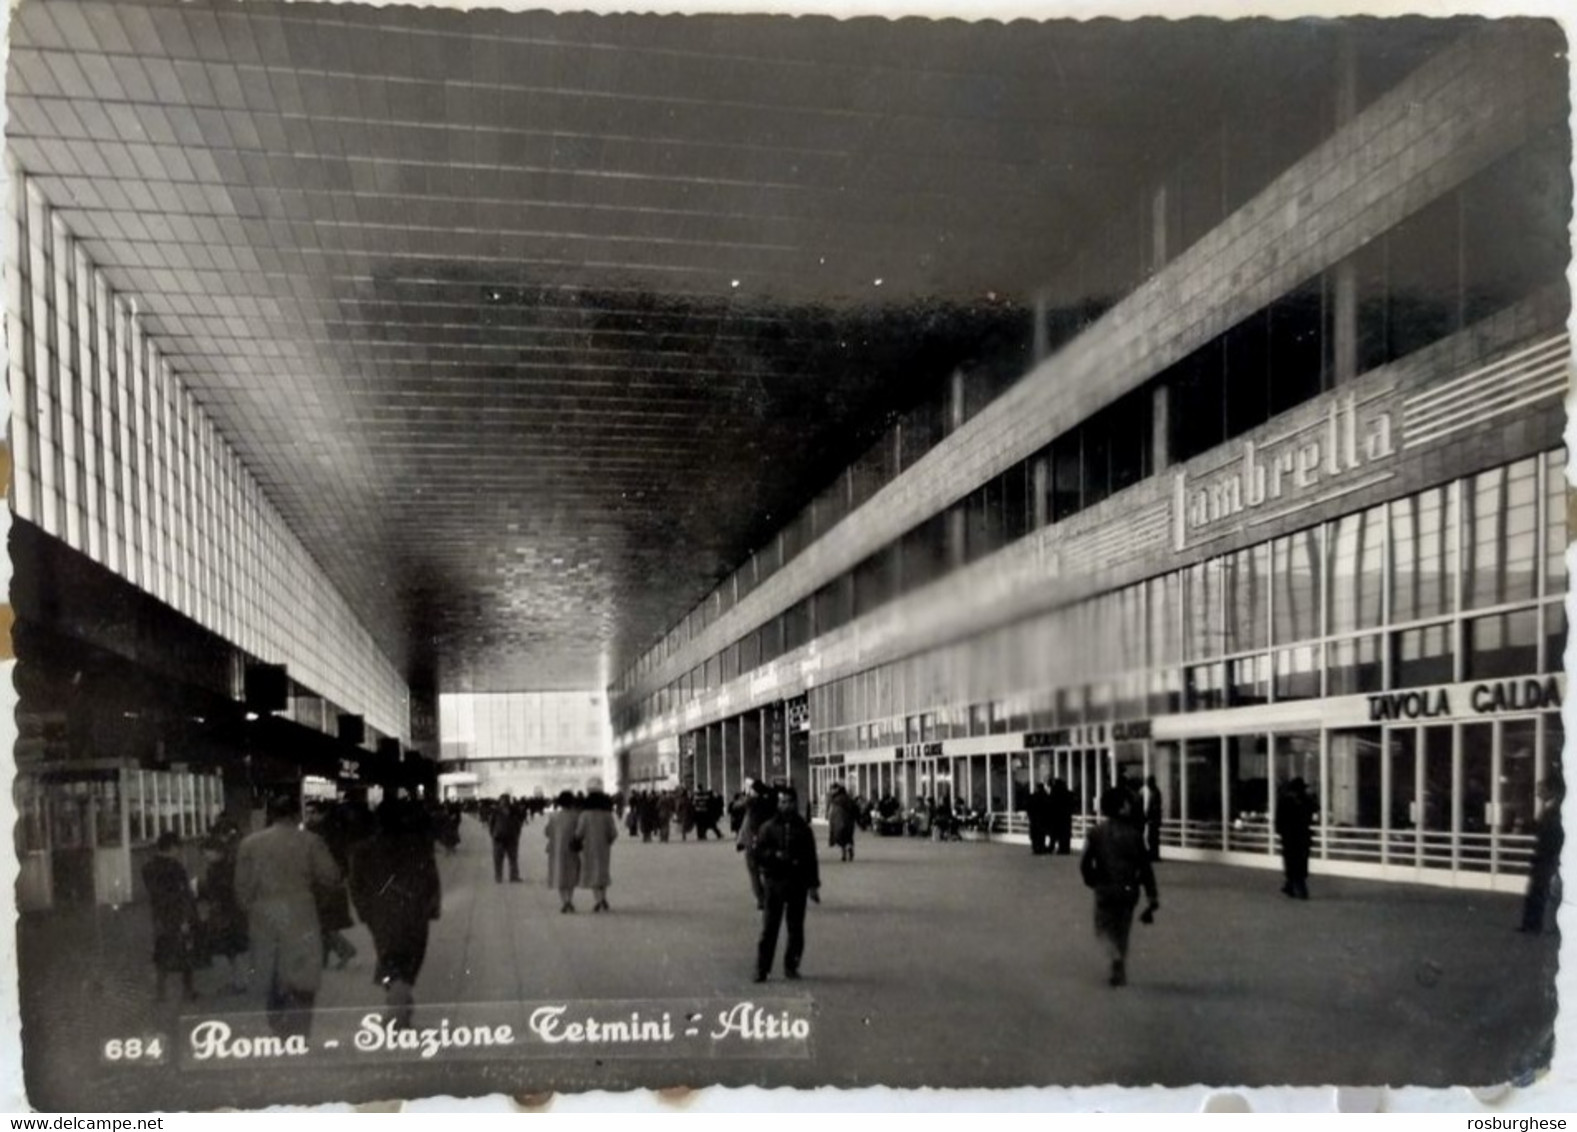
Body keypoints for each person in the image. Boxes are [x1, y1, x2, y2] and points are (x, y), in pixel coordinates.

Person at [236, 793, 343, 1038]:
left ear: (269, 815)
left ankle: (278, 1027)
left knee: (271, 972)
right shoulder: (311, 841)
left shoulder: (249, 844)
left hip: (264, 916)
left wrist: (253, 909)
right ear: (297, 815)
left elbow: (241, 890)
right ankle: (299, 1032)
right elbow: (331, 877)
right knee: (303, 975)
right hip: (301, 914)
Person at [350, 797, 441, 1029]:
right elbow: (431, 880)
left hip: (381, 915)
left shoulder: (363, 849)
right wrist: (431, 908)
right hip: (414, 914)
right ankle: (399, 1012)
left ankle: (398, 1009)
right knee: (407, 965)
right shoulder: (418, 847)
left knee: (390, 962)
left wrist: (365, 912)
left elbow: (356, 886)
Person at [1080, 787, 1159, 987]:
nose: (1130, 806)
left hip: (1105, 888)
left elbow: (1085, 862)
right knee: (1123, 930)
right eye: (1127, 803)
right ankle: (1120, 964)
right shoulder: (1135, 835)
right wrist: (1152, 897)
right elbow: (1145, 867)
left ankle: (1113, 956)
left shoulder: (1096, 832)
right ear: (1121, 807)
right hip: (1129, 889)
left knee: (1103, 928)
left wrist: (1092, 880)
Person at [753, 785, 821, 982]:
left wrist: (813, 885)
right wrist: (774, 855)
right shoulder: (767, 827)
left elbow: (811, 858)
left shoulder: (804, 829)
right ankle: (762, 969)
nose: (787, 806)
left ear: (795, 803)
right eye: (783, 802)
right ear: (778, 804)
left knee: (796, 928)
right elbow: (759, 855)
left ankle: (791, 966)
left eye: (790, 802)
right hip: (775, 883)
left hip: (797, 883)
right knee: (769, 929)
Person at [143, 831, 199, 1003]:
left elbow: (154, 893)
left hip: (160, 916)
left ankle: (161, 993)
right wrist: (186, 916)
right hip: (178, 913)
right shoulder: (176, 867)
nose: (179, 852)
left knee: (161, 952)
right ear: (172, 847)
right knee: (185, 953)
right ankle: (188, 992)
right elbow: (184, 893)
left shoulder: (147, 868)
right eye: (178, 848)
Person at [196, 833, 249, 994]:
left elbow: (227, 889)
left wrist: (203, 889)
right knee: (231, 948)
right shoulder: (218, 867)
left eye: (207, 853)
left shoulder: (227, 867)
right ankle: (238, 981)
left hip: (231, 912)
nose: (205, 856)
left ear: (217, 850)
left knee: (235, 946)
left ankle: (240, 981)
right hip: (226, 911)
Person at [1520, 774, 1565, 934]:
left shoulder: (1555, 810)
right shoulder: (1549, 809)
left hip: (1548, 856)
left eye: (1540, 790)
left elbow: (1552, 834)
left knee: (1542, 889)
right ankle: (1532, 923)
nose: (1537, 793)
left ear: (1548, 790)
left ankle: (1535, 923)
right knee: (1537, 889)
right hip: (1543, 856)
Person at [575, 783, 620, 912]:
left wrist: (577, 840)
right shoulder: (607, 814)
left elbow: (579, 832)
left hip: (587, 847)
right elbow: (614, 833)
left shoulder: (584, 815)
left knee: (591, 873)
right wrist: (608, 841)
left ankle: (598, 900)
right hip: (603, 848)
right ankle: (603, 898)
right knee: (602, 872)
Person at [1275, 777, 1316, 900]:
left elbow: (1279, 821)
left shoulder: (1285, 801)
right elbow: (1313, 810)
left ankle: (1293, 885)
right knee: (1300, 862)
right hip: (1300, 837)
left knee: (1292, 861)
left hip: (1291, 838)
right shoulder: (1304, 801)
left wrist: (1281, 833)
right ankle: (1294, 886)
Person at [737, 779, 775, 910]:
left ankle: (761, 898)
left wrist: (746, 794)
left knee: (754, 872)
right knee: (768, 871)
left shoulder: (752, 802)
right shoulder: (771, 802)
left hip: (752, 841)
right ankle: (770, 896)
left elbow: (736, 806)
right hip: (768, 841)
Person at [545, 791, 582, 913]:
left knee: (559, 874)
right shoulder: (576, 816)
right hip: (572, 849)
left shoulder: (554, 816)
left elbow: (547, 832)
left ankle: (564, 901)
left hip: (556, 849)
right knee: (571, 873)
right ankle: (570, 900)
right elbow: (580, 832)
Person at [490, 794, 524, 883]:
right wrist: (493, 835)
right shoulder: (495, 812)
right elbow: (491, 824)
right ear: (500, 801)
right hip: (499, 838)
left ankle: (513, 876)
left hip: (511, 838)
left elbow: (519, 823)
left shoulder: (514, 811)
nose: (504, 802)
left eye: (506, 800)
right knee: (498, 859)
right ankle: (499, 877)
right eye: (502, 800)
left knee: (512, 858)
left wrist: (517, 834)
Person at [826, 782, 858, 862]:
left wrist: (830, 820)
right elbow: (855, 810)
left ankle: (843, 854)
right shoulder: (849, 799)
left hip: (839, 822)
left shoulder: (835, 800)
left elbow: (832, 812)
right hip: (849, 822)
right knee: (849, 837)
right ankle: (850, 847)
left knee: (841, 838)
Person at [1049, 778, 1075, 855]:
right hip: (1066, 817)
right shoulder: (1068, 794)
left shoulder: (1054, 793)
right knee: (1065, 834)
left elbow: (1050, 804)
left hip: (1056, 817)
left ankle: (1052, 847)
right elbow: (1072, 804)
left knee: (1054, 833)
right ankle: (1065, 848)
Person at [1142, 776, 1164, 863]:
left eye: (1147, 783)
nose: (1147, 785)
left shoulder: (1155, 793)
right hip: (1154, 819)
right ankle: (1154, 854)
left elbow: (1154, 807)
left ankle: (1154, 854)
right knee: (1152, 837)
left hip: (1153, 819)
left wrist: (1148, 816)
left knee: (1153, 837)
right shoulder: (1154, 792)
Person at [1027, 782, 1051, 855]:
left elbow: (1028, 808)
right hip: (1043, 819)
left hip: (1034, 819)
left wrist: (1030, 816)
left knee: (1035, 835)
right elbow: (1048, 808)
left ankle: (1035, 848)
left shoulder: (1032, 797)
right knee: (1041, 835)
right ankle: (1041, 847)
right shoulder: (1046, 797)